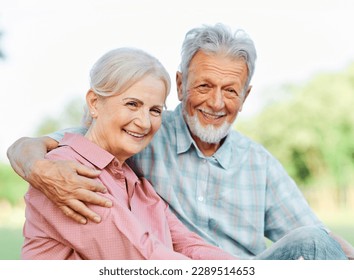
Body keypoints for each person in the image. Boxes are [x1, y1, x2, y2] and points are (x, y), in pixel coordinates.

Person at [8, 23, 353, 260]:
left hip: (219, 269)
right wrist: (39, 169)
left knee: (315, 243)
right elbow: (145, 256)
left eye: (230, 91)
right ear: (182, 84)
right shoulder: (77, 169)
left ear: (246, 96)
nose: (216, 103)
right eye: (204, 86)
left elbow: (185, 243)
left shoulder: (133, 177)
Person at [19, 47, 238, 260]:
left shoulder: (138, 184)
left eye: (154, 110)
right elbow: (143, 258)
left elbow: (188, 244)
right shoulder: (63, 172)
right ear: (95, 103)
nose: (144, 123)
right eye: (132, 104)